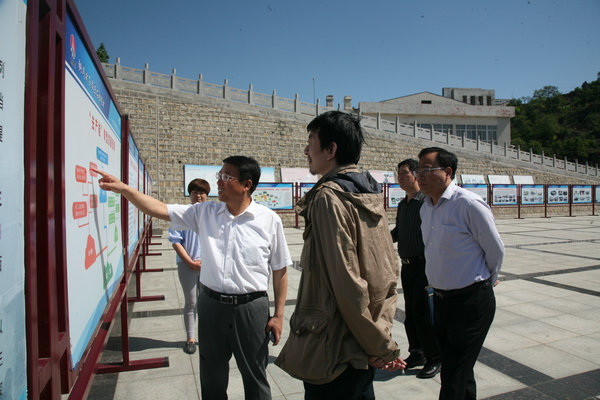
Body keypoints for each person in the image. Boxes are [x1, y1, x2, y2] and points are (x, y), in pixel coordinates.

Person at [93, 155, 291, 400]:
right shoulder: (205, 213)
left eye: (226, 176)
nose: (219, 181)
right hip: (211, 306)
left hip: (251, 309)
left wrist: (278, 316)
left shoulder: (269, 220)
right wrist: (124, 189)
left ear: (246, 185)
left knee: (255, 378)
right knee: (211, 377)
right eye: (219, 175)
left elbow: (280, 270)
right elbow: (159, 209)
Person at [275, 110, 405, 400]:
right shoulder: (369, 193)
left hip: (334, 349)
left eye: (311, 141)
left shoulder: (328, 197)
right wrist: (379, 338)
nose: (306, 150)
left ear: (331, 149)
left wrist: (380, 348)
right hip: (363, 342)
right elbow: (386, 273)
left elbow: (347, 284)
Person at [416, 147, 504, 400]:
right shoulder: (426, 208)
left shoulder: (468, 204)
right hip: (441, 301)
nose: (420, 175)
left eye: (426, 169)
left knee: (453, 373)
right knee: (460, 369)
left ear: (447, 172)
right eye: (418, 170)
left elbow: (495, 249)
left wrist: (486, 280)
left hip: (471, 302)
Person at [390, 159, 441, 379]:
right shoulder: (403, 204)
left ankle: (435, 358)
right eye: (399, 174)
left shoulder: (426, 203)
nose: (400, 178)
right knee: (411, 313)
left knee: (425, 314)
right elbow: (399, 231)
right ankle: (417, 352)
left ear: (415, 174)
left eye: (404, 173)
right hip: (407, 266)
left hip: (424, 266)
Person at [168, 178, 210, 354]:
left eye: (202, 192)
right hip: (187, 266)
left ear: (207, 195)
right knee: (191, 302)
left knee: (207, 303)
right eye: (194, 192)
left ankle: (207, 336)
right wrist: (190, 263)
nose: (198, 195)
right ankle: (190, 338)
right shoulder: (182, 214)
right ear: (189, 194)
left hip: (208, 267)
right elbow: (176, 241)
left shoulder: (211, 215)